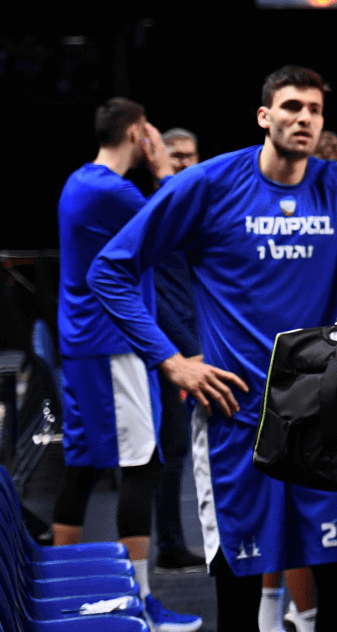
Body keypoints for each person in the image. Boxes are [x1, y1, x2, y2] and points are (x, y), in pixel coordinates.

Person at [89, 65, 337, 632]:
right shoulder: (207, 185)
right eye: (292, 106)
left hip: (323, 423)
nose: (304, 118)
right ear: (264, 115)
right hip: (236, 419)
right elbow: (112, 271)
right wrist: (171, 362)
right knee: (238, 597)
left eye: (314, 110)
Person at [56, 98, 203, 631]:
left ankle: (66, 592)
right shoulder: (111, 190)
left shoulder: (79, 180)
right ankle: (140, 604)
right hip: (111, 344)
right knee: (142, 465)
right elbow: (176, 222)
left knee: (83, 466)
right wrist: (163, 166)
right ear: (139, 132)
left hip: (88, 343)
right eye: (153, 134)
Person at [150, 127, 207, 574]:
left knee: (185, 450)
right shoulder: (158, 212)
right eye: (176, 156)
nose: (185, 163)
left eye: (190, 156)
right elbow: (161, 295)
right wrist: (186, 352)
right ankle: (170, 544)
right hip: (173, 352)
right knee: (172, 450)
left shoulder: (193, 209)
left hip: (196, 343)